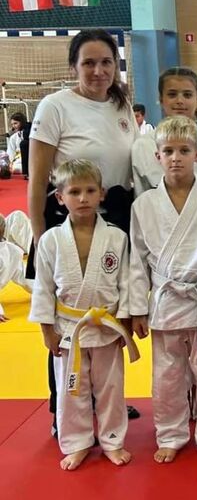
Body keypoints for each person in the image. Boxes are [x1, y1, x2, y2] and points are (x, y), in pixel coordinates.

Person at [28, 29, 140, 434]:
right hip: (67, 218)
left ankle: (106, 401)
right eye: (88, 63)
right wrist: (41, 237)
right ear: (73, 66)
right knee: (67, 311)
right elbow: (37, 180)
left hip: (116, 217)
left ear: (116, 65)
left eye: (106, 62)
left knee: (105, 305)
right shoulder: (56, 106)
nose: (98, 71)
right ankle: (64, 408)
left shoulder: (120, 105)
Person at [129, 117, 197, 465]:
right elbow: (137, 261)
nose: (176, 158)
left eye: (184, 151)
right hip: (165, 302)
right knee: (167, 376)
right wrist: (137, 309)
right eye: (168, 151)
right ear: (157, 156)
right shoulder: (143, 205)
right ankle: (170, 433)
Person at [30, 160, 138, 471]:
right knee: (71, 389)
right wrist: (46, 330)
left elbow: (126, 283)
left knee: (111, 388)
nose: (83, 198)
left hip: (107, 327)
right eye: (74, 192)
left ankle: (113, 441)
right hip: (68, 328)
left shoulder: (116, 237)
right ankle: (77, 443)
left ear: (101, 193)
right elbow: (43, 288)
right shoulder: (50, 240)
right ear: (59, 197)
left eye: (90, 191)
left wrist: (125, 323)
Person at [132, 67, 197, 195]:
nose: (179, 101)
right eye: (172, 94)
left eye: (187, 95)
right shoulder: (142, 146)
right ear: (161, 100)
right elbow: (141, 197)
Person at [0, 213, 27, 321]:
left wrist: (47, 291)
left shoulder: (13, 252)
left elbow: (24, 277)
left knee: (18, 216)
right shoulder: (12, 252)